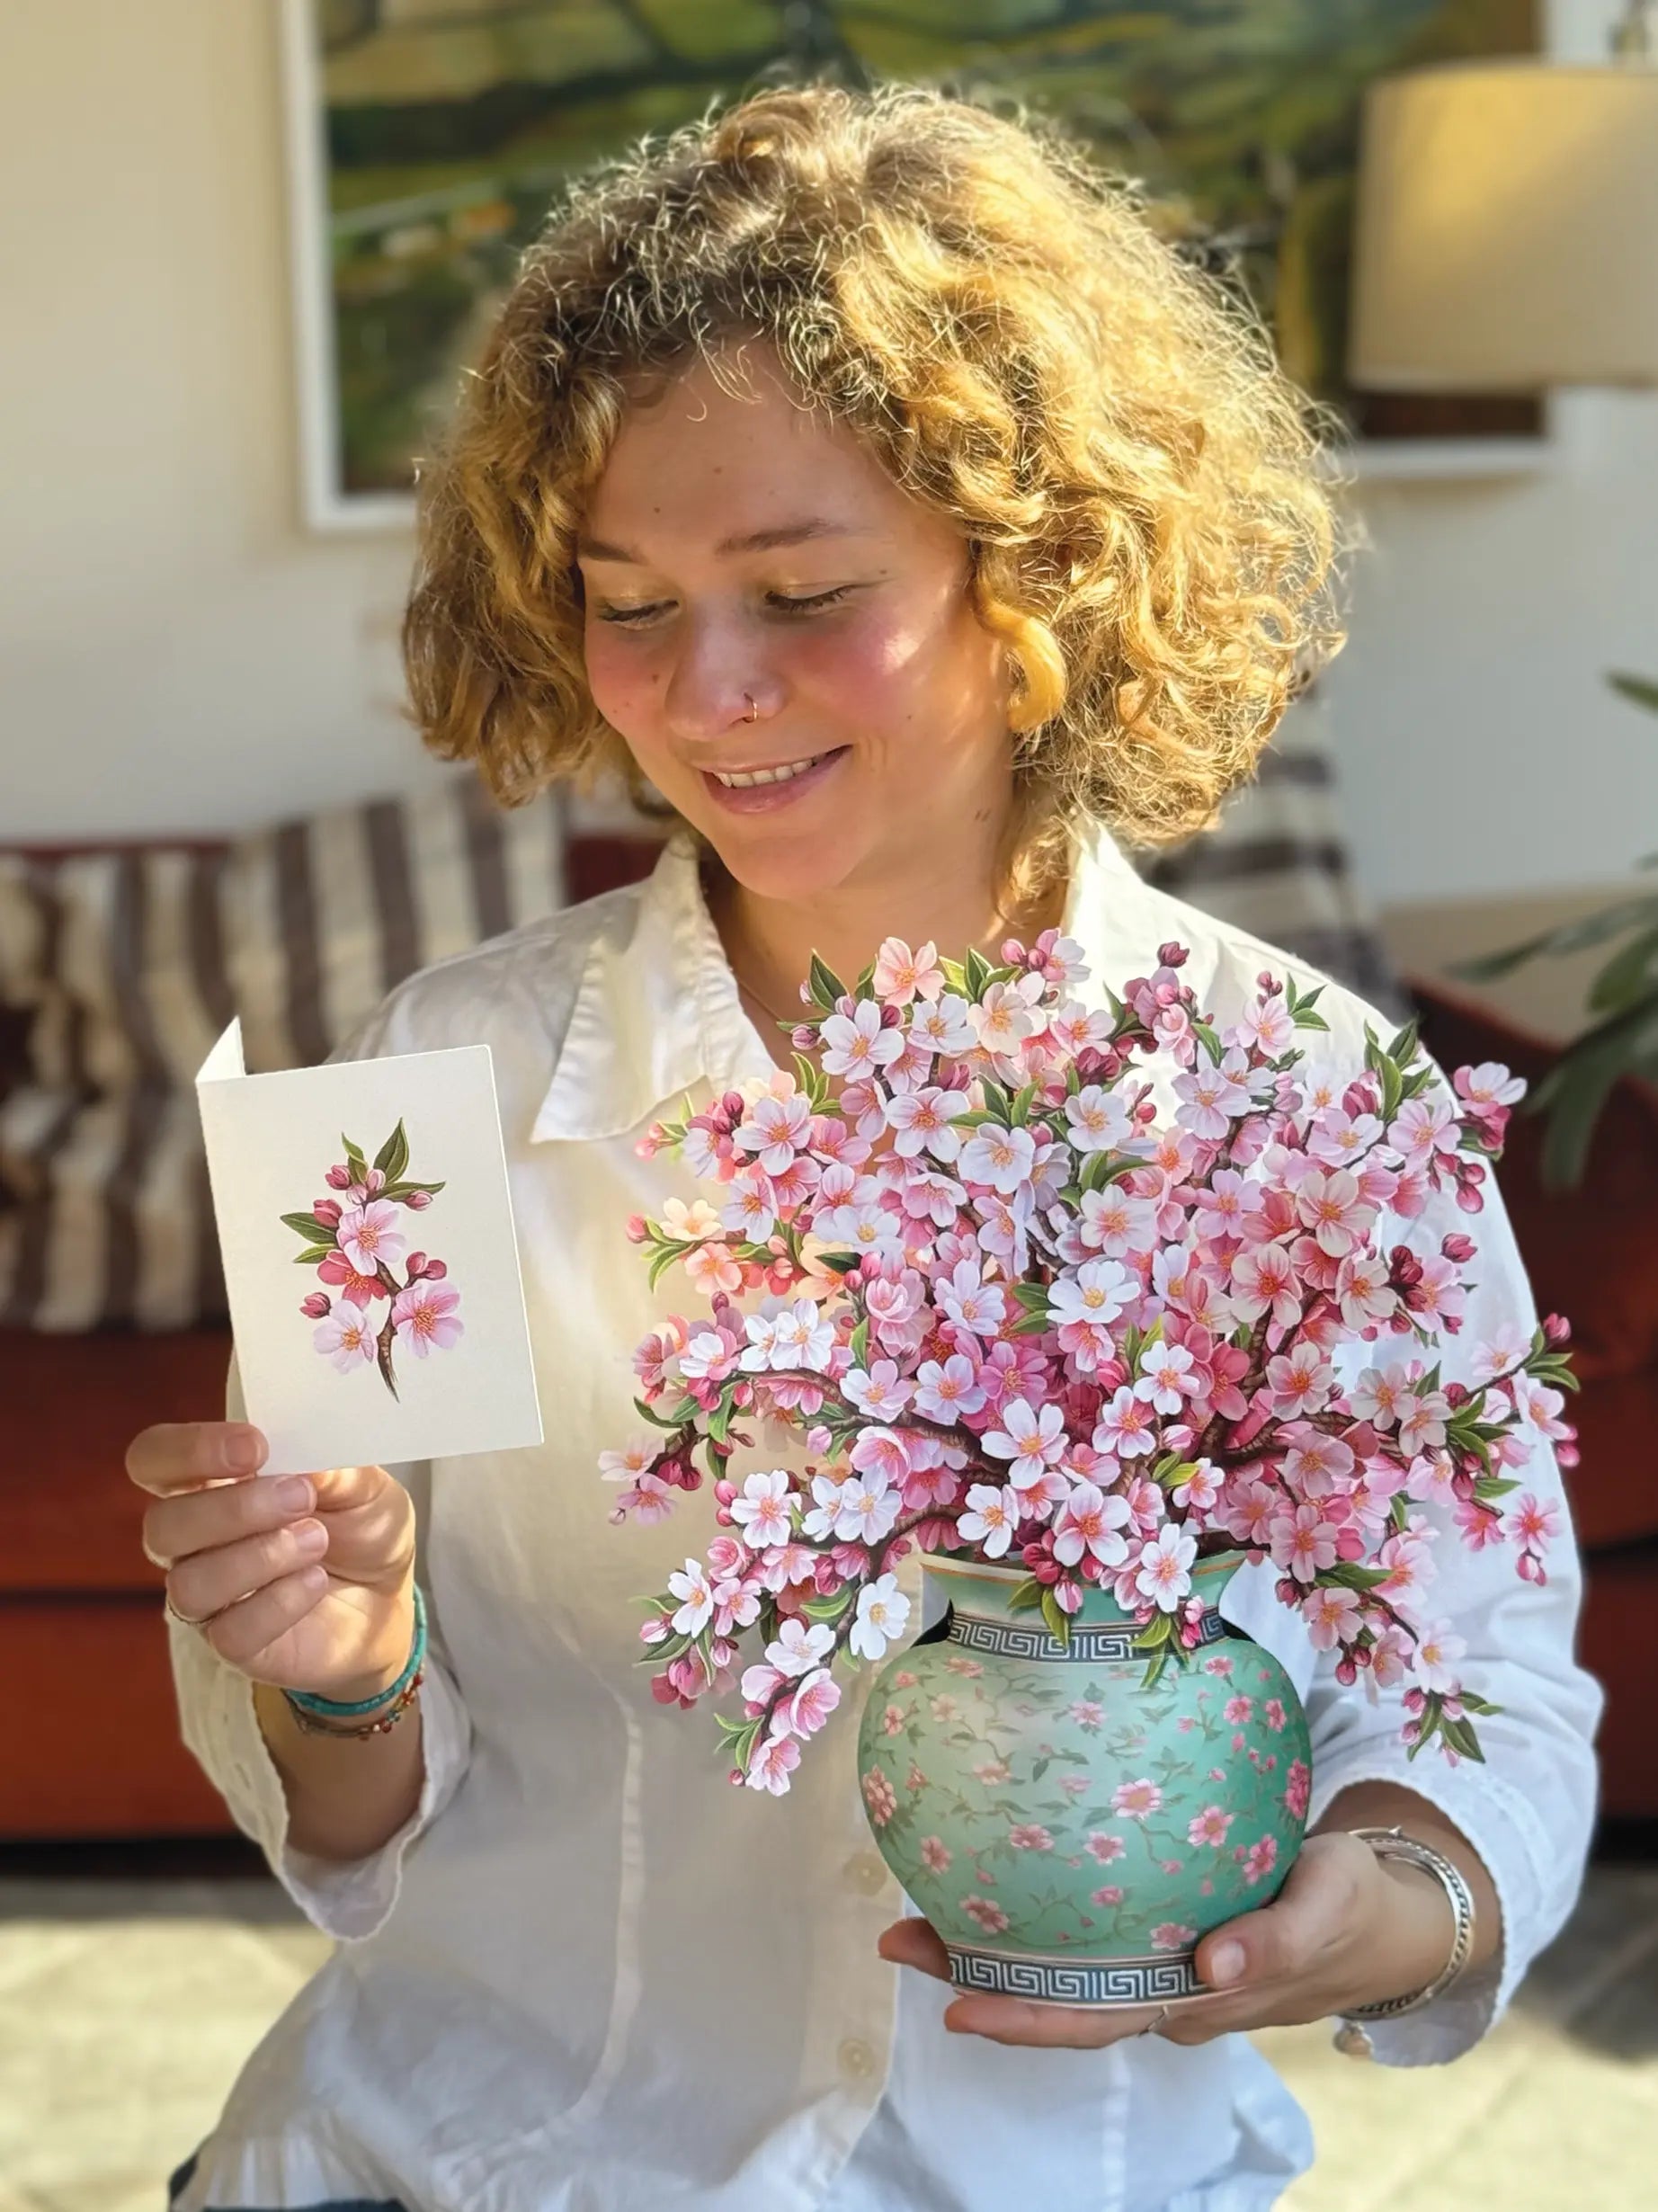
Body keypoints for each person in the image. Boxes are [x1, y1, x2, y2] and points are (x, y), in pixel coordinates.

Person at [132, 85, 1600, 2212]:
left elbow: (1482, 1698)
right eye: (625, 602)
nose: (706, 693)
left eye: (801, 587)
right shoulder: (428, 1088)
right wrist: (347, 1675)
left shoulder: (1309, 1115)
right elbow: (352, 1832)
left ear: (1039, 580)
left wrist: (1360, 1919)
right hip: (443, 2160)